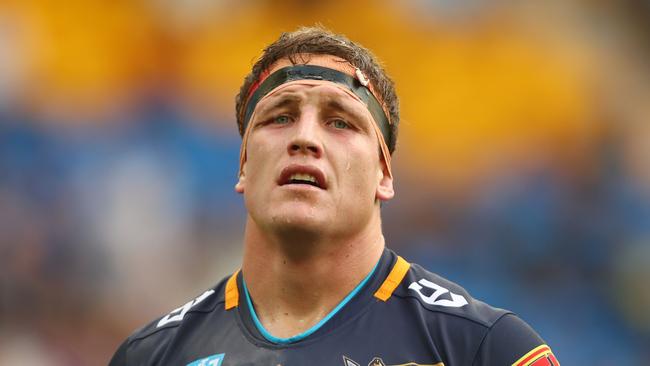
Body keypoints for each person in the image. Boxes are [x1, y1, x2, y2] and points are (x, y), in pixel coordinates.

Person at [109, 26, 560, 366]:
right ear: (244, 164)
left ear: (384, 173)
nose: (305, 138)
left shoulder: (484, 348)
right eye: (279, 118)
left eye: (341, 122)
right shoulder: (151, 355)